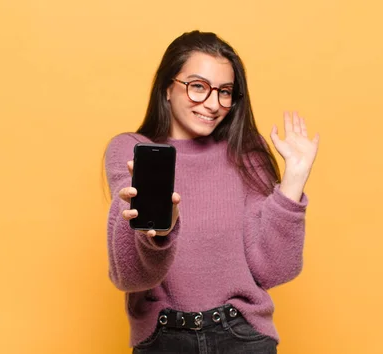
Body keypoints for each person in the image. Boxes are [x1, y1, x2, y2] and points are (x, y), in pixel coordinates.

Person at [104, 30, 320, 354]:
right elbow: (129, 277)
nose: (213, 104)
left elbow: (273, 270)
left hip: (242, 335)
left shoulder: (246, 152)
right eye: (198, 87)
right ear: (167, 87)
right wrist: (159, 233)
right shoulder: (131, 150)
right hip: (164, 338)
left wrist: (293, 182)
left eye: (224, 92)